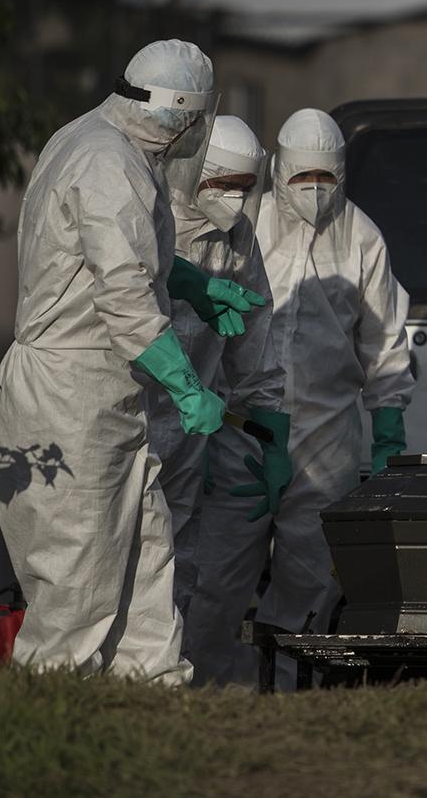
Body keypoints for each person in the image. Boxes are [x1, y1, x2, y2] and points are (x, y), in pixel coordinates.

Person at [0, 39, 270, 682]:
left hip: (105, 391)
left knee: (146, 548)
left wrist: (194, 286)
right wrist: (186, 385)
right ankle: (54, 700)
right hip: (72, 393)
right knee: (78, 564)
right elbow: (121, 294)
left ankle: (148, 684)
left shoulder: (98, 140)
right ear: (185, 113)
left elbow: (124, 252)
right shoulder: (107, 161)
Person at [186, 107, 414, 687]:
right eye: (300, 178)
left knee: (311, 576)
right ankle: (203, 680)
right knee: (215, 570)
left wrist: (388, 436)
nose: (314, 191)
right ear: (277, 171)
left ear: (343, 173)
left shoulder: (362, 237)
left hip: (325, 439)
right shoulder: (245, 224)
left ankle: (286, 688)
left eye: (327, 178)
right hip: (240, 432)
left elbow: (384, 341)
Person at [138, 114, 287, 619]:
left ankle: (163, 684)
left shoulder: (238, 237)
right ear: (193, 175)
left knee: (177, 564)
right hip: (128, 418)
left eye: (249, 189)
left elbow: (255, 341)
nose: (239, 201)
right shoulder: (150, 219)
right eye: (226, 186)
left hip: (192, 427)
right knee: (115, 557)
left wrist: (271, 436)